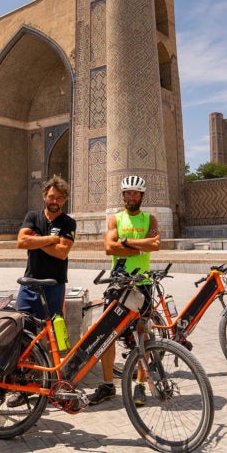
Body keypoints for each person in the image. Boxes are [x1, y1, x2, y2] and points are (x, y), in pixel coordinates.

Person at [89, 174, 162, 407]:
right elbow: (109, 248)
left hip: (142, 284)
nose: (132, 197)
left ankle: (140, 385)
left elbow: (156, 244)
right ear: (123, 196)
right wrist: (141, 247)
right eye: (128, 193)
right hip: (118, 284)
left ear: (141, 196)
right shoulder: (115, 219)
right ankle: (108, 385)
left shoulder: (150, 219)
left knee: (143, 334)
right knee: (108, 336)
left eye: (136, 193)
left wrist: (127, 243)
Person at [15, 175, 76, 320]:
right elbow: (21, 242)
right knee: (22, 326)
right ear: (44, 196)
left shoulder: (68, 222)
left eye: (60, 198)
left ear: (65, 200)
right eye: (52, 197)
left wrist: (35, 240)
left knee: (55, 330)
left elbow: (62, 252)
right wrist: (51, 239)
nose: (55, 201)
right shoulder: (33, 217)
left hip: (54, 285)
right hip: (30, 283)